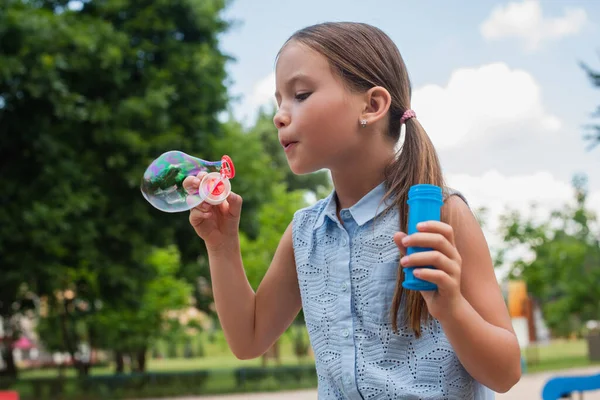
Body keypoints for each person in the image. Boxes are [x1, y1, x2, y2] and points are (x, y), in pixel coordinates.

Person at [184, 22, 521, 399]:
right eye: (278, 100)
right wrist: (222, 245)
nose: (280, 115)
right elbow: (248, 340)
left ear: (372, 106)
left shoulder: (444, 215)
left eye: (301, 94)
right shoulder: (304, 235)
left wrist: (453, 307)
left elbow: (505, 373)